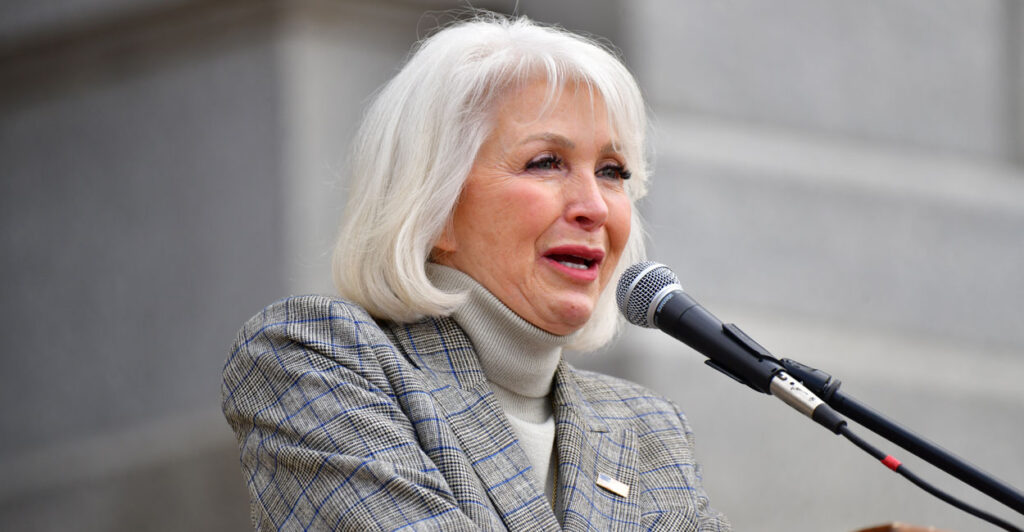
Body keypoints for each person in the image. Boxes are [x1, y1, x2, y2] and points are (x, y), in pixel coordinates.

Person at [221, 13, 730, 531]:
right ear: (435, 203)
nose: (595, 207)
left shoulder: (650, 431)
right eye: (546, 162)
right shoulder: (316, 357)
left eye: (611, 172)